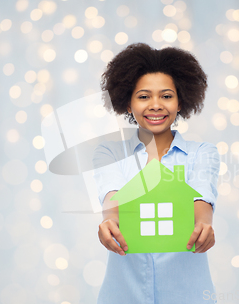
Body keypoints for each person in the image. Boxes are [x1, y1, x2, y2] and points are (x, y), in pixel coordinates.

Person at [93, 42, 219, 303]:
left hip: (188, 295)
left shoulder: (202, 153)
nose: (155, 105)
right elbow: (112, 195)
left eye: (166, 95)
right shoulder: (110, 153)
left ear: (180, 101)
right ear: (128, 104)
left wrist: (204, 224)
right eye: (143, 96)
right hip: (123, 294)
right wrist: (110, 221)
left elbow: (202, 198)